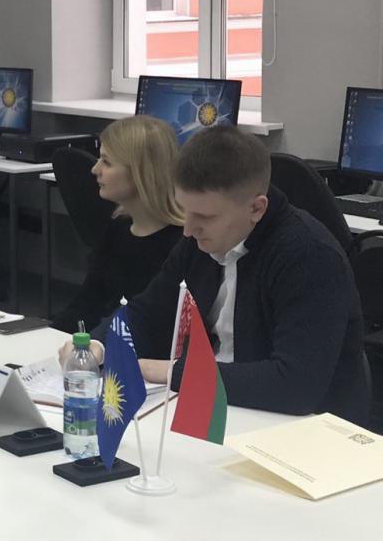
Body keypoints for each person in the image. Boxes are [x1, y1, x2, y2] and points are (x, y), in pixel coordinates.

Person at [63, 125, 367, 423]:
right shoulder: (201, 239)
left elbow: (295, 385)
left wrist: (172, 372)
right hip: (224, 409)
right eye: (185, 210)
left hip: (302, 429)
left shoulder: (309, 257)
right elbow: (149, 311)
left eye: (205, 216)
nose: (188, 229)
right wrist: (99, 346)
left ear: (256, 209)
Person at [52, 115, 184, 332]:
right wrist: (50, 335)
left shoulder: (181, 243)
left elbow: (153, 324)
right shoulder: (119, 228)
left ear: (141, 171)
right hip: (102, 341)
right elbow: (87, 302)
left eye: (107, 162)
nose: (95, 169)